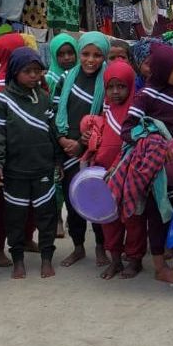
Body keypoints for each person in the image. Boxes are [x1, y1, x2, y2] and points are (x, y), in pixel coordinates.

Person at [120, 45, 173, 284]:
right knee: (158, 215)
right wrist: (155, 142)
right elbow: (128, 128)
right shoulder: (146, 95)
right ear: (162, 71)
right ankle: (160, 267)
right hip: (157, 168)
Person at [0, 47, 62, 280]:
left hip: (42, 168)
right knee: (15, 217)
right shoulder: (3, 100)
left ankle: (47, 258)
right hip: (15, 171)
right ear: (15, 72)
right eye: (27, 71)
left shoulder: (44, 98)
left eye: (37, 71)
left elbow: (53, 131)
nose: (33, 76)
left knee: (46, 215)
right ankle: (17, 259)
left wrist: (58, 159)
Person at [53, 32, 110, 268]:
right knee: (72, 199)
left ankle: (100, 246)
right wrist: (62, 139)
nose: (90, 60)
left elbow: (107, 118)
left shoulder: (108, 80)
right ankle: (78, 247)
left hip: (93, 152)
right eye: (85, 54)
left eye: (97, 55)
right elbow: (53, 113)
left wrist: (82, 143)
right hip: (66, 150)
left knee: (96, 199)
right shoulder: (66, 78)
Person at [93, 60, 146, 280]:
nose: (115, 92)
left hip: (129, 174)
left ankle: (134, 260)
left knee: (133, 219)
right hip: (105, 173)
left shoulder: (137, 111)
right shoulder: (105, 110)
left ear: (131, 85)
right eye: (110, 87)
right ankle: (115, 259)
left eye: (121, 86)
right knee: (109, 219)